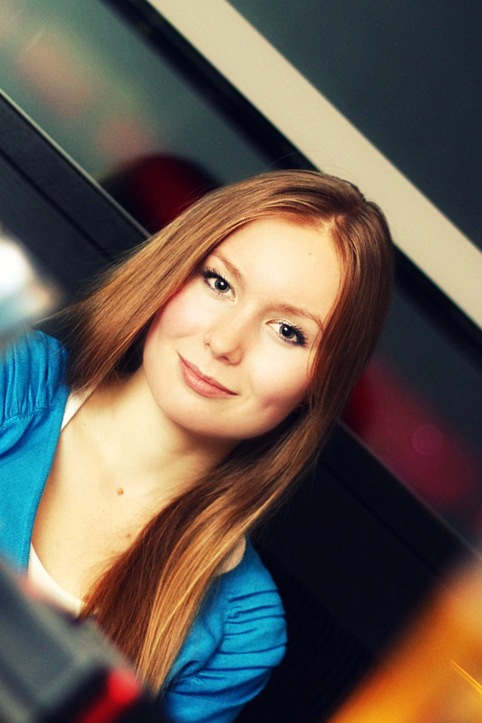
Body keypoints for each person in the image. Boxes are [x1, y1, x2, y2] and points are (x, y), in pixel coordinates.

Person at [0, 169, 394, 722]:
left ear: (321, 384)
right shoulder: (11, 374)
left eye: (288, 331)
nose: (225, 341)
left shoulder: (242, 632)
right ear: (174, 270)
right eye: (219, 283)